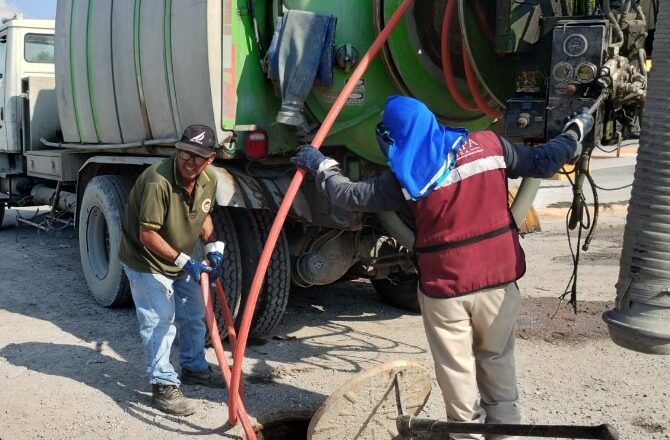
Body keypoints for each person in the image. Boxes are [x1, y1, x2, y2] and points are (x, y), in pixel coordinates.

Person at [291, 96, 593, 439]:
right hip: (499, 283)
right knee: (499, 365)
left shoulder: (404, 177)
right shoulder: (490, 146)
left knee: (458, 375)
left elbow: (350, 196)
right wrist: (575, 131)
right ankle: (508, 434)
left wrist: (322, 166)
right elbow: (544, 161)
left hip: (446, 290)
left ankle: (467, 435)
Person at [119, 124, 226, 416]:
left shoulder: (209, 178)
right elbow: (147, 236)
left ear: (211, 159)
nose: (190, 162)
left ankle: (194, 368)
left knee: (193, 313)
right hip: (146, 260)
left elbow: (202, 213)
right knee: (160, 321)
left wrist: (214, 248)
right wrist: (186, 261)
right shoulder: (158, 181)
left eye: (198, 157)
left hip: (181, 254)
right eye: (185, 154)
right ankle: (163, 386)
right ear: (177, 150)